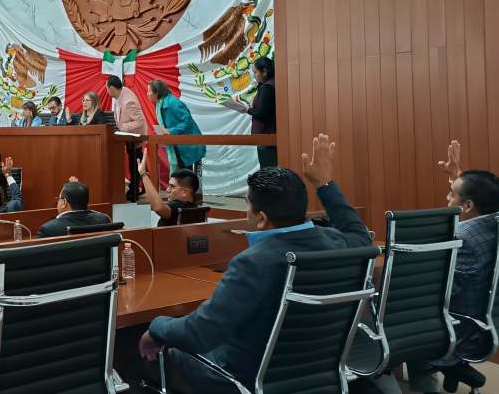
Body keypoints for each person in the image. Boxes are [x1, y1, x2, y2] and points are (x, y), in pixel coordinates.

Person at [135, 134, 371, 394]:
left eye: (247, 204)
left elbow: (199, 334)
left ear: (262, 218)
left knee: (149, 353)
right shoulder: (342, 245)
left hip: (244, 379)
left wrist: (156, 328)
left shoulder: (254, 263)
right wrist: (324, 184)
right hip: (318, 374)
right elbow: (358, 232)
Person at [403, 140, 499, 394]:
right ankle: (450, 370)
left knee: (401, 312)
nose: (446, 198)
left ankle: (434, 377)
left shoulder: (460, 238)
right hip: (495, 320)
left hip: (463, 329)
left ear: (468, 205)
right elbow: (477, 205)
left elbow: (434, 288)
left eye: (451, 194)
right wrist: (457, 177)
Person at [147, 79, 205, 172]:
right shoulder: (159, 104)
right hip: (178, 146)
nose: (147, 94)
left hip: (189, 148)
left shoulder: (173, 102)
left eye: (149, 91)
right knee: (179, 176)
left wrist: (170, 131)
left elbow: (188, 122)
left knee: (188, 177)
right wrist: (161, 131)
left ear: (156, 93)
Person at [138, 147, 202, 226]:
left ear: (184, 192)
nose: (168, 190)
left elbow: (159, 208)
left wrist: (143, 174)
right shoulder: (194, 208)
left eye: (172, 186)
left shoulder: (179, 207)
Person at [108, 75, 147, 202]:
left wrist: (122, 128)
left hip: (135, 138)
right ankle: (135, 189)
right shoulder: (120, 94)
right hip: (128, 138)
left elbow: (140, 122)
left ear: (112, 88)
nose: (107, 91)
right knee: (133, 164)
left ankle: (136, 191)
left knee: (134, 165)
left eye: (107, 88)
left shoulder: (128, 101)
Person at [36, 179, 111, 237]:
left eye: (59, 199)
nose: (58, 202)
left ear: (64, 202)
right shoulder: (104, 220)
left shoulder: (48, 229)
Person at [248, 57, 277, 168]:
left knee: (268, 171)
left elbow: (262, 113)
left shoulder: (268, 87)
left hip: (267, 138)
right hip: (269, 137)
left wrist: (247, 110)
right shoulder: (269, 84)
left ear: (264, 71)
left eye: (255, 72)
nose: (254, 76)